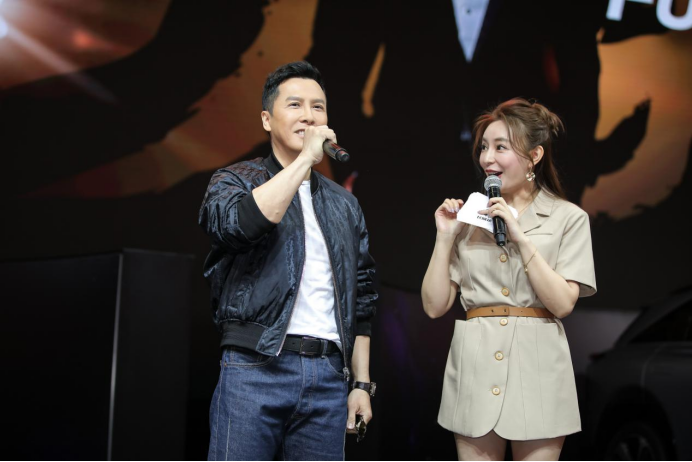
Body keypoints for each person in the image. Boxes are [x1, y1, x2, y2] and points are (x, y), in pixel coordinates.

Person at [199, 61, 378, 461]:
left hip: (327, 376)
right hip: (254, 367)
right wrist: (303, 163)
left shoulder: (345, 204)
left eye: (318, 107)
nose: (309, 116)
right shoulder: (234, 180)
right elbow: (240, 226)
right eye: (295, 105)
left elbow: (363, 299)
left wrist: (361, 384)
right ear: (267, 119)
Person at [421, 98, 597, 461]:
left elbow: (563, 303)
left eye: (501, 147)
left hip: (538, 369)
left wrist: (520, 236)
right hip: (475, 367)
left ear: (534, 156)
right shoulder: (469, 217)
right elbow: (435, 306)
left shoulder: (568, 218)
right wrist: (445, 237)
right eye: (484, 147)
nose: (488, 158)